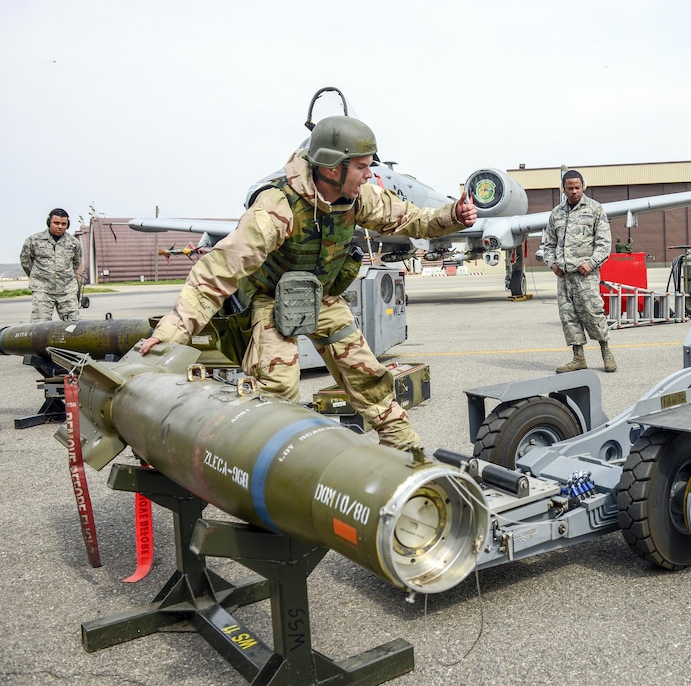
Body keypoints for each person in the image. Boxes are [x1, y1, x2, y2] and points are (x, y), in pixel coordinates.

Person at [139, 115, 477, 449]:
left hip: (323, 298)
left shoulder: (361, 198)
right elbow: (216, 272)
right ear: (333, 168)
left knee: (367, 375)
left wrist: (453, 216)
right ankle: (274, 461)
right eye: (361, 166)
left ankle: (404, 449)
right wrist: (170, 336)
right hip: (271, 301)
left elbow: (413, 219)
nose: (369, 174)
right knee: (277, 389)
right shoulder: (276, 207)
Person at [540, 170, 616, 373]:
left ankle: (606, 352)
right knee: (569, 317)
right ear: (563, 189)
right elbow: (548, 244)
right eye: (569, 188)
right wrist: (552, 263)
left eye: (577, 187)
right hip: (564, 277)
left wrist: (591, 263)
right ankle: (578, 357)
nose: (574, 191)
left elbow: (604, 243)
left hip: (586, 275)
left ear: (584, 186)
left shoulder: (595, 209)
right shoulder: (556, 213)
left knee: (593, 314)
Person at [20, 208, 83, 322]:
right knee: (39, 325)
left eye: (63, 224)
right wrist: (38, 276)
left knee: (73, 326)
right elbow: (25, 261)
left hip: (67, 290)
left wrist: (65, 277)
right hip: (42, 290)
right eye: (56, 223)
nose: (60, 226)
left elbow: (76, 262)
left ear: (67, 225)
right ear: (49, 222)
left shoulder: (73, 243)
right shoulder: (34, 241)